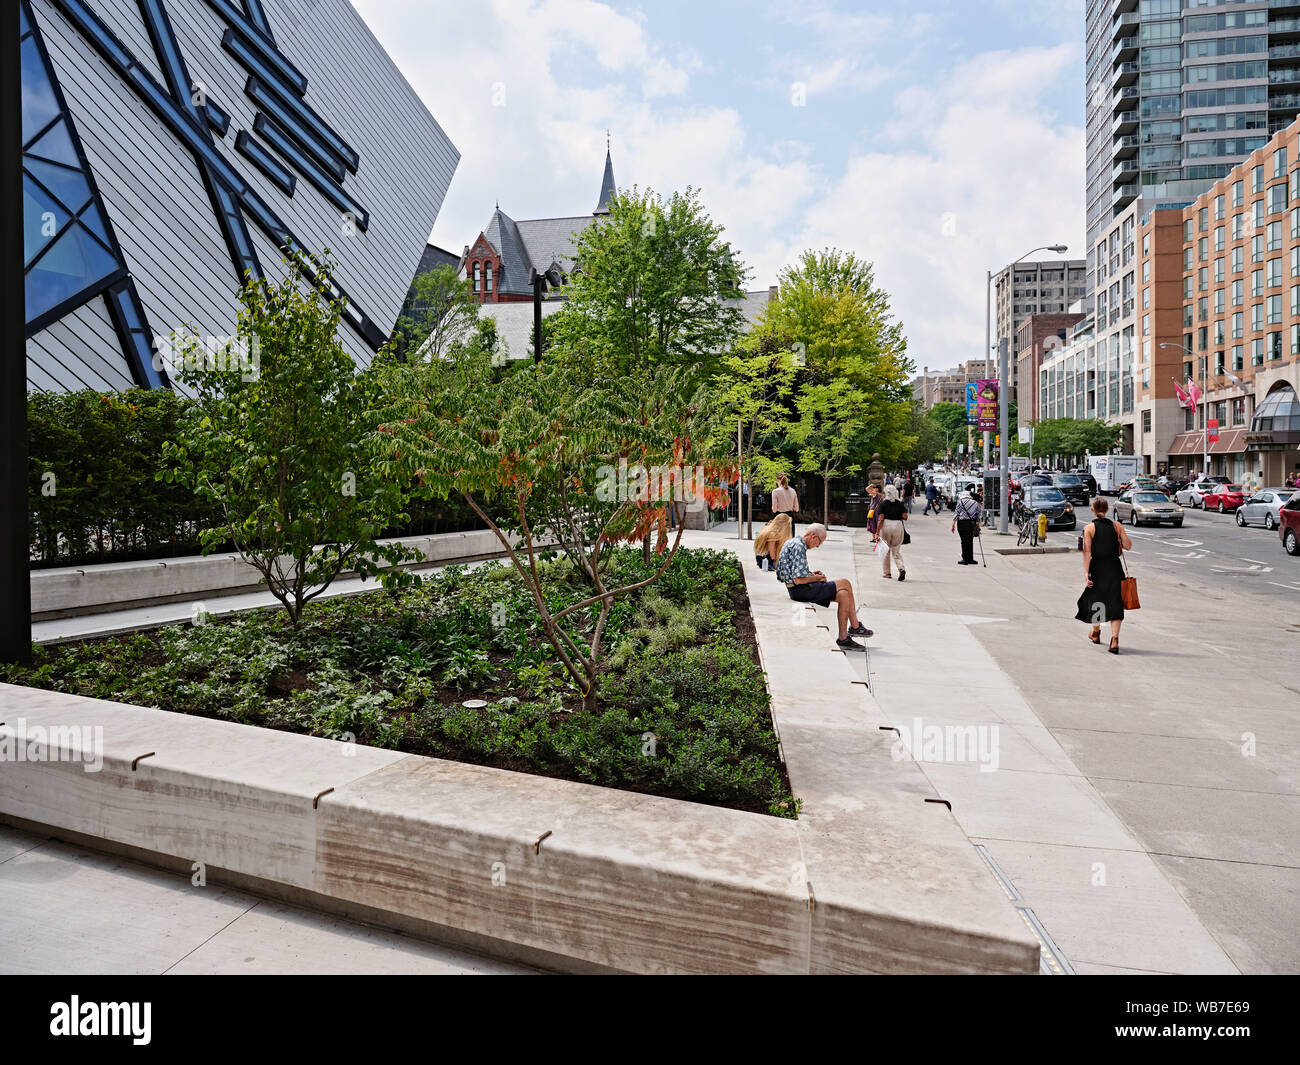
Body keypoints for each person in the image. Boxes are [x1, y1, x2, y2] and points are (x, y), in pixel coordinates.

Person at [775, 523, 872, 652]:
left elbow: (795, 573)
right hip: (800, 590)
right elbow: (798, 580)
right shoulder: (799, 547)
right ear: (813, 536)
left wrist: (811, 574)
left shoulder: (793, 542)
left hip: (797, 589)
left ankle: (843, 639)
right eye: (819, 542)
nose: (818, 545)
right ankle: (855, 626)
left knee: (844, 595)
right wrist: (818, 578)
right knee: (845, 583)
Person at [1075, 497, 1132, 654]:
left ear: (1092, 510)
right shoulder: (1116, 526)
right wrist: (1119, 537)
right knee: (1115, 603)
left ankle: (1096, 633)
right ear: (1106, 510)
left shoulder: (1089, 529)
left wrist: (1086, 574)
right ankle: (1115, 639)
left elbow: (1086, 552)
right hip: (1115, 568)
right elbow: (1128, 546)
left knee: (1096, 601)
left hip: (1098, 568)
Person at [877, 484, 908, 581]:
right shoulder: (899, 503)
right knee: (896, 551)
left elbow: (881, 518)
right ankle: (901, 568)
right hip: (898, 526)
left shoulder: (883, 503)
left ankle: (887, 573)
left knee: (886, 550)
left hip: (886, 525)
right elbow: (905, 517)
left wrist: (877, 531)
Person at [952, 489, 982, 565]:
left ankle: (965, 559)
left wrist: (953, 524)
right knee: (970, 541)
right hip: (972, 523)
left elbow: (957, 513)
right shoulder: (975, 503)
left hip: (962, 523)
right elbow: (978, 514)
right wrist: (978, 524)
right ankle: (970, 559)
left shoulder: (960, 502)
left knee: (964, 541)